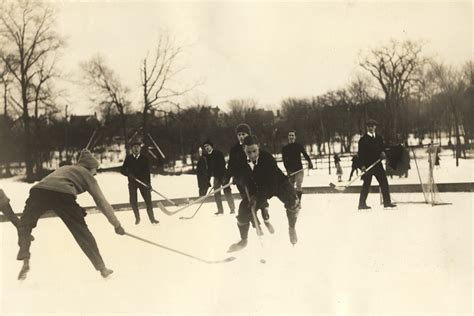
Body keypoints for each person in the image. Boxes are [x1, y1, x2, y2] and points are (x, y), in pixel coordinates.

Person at [16, 149, 125, 280]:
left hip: (38, 191)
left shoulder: (66, 168)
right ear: (90, 167)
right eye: (96, 170)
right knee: (81, 231)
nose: (95, 174)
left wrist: (78, 210)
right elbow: (102, 202)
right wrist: (116, 225)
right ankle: (102, 267)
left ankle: (25, 256)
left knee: (24, 224)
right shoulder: (88, 175)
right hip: (63, 194)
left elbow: (54, 185)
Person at [228, 135, 300, 252]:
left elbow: (270, 184)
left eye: (254, 151)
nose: (252, 155)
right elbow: (239, 174)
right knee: (243, 211)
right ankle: (243, 240)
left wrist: (257, 197)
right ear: (244, 149)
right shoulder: (241, 160)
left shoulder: (267, 158)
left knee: (294, 201)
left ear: (259, 148)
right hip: (257, 188)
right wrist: (239, 178)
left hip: (277, 184)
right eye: (249, 152)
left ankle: (292, 227)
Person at [225, 123, 274, 233]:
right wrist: (229, 177)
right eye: (239, 134)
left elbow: (262, 161)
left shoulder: (253, 146)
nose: (241, 136)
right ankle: (256, 225)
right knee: (248, 203)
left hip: (256, 179)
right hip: (242, 181)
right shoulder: (234, 150)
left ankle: (266, 218)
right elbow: (231, 165)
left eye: (244, 134)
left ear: (248, 134)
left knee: (262, 200)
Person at [357, 119, 396, 210]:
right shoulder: (363, 140)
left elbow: (382, 148)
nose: (371, 128)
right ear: (367, 127)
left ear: (375, 127)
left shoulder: (379, 138)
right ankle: (361, 204)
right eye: (369, 126)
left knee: (384, 183)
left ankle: (387, 202)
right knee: (366, 185)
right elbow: (361, 154)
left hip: (377, 165)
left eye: (373, 126)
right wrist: (362, 166)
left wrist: (383, 153)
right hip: (368, 166)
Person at [120, 138, 159, 225]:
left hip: (143, 182)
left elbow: (147, 172)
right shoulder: (129, 159)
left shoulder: (144, 158)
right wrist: (128, 174)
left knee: (148, 201)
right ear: (131, 149)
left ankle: (152, 219)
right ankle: (137, 218)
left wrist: (149, 184)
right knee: (133, 201)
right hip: (133, 183)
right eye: (134, 147)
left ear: (140, 148)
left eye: (138, 147)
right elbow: (122, 170)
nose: (136, 149)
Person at [203, 140, 236, 215]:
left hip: (223, 175)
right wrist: (208, 180)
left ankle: (232, 209)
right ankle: (220, 210)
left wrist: (221, 176)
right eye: (205, 147)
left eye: (208, 146)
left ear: (211, 146)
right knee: (216, 193)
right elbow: (209, 169)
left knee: (227, 191)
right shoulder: (208, 156)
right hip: (216, 177)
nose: (207, 148)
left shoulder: (218, 153)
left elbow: (223, 164)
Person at [282, 130, 313, 204]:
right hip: (290, 171)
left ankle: (299, 202)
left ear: (295, 137)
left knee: (299, 185)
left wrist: (309, 161)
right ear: (288, 137)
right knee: (291, 187)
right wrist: (288, 170)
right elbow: (284, 161)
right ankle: (293, 202)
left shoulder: (299, 146)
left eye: (292, 135)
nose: (291, 137)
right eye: (290, 135)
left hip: (299, 169)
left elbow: (305, 154)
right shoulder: (285, 148)